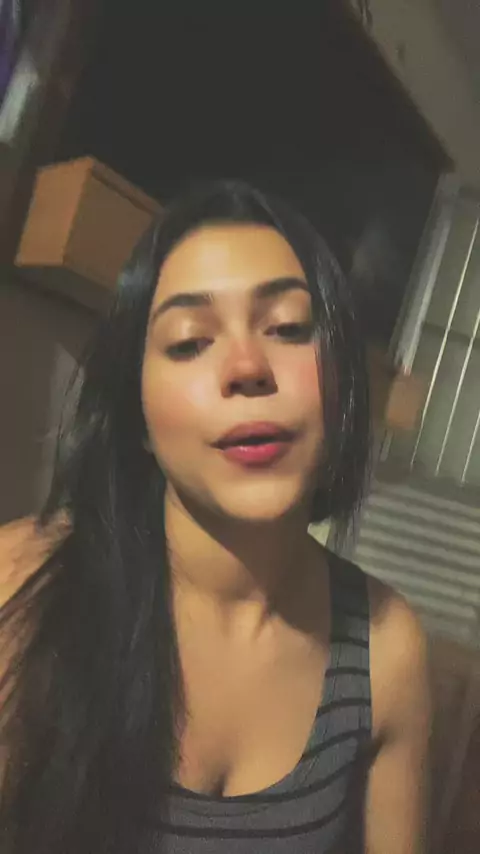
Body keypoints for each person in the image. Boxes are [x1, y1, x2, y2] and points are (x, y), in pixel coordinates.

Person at [0, 181, 430, 853]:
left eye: (288, 328)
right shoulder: (20, 586)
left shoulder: (386, 650)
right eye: (190, 341)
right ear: (138, 417)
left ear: (342, 383)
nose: (248, 367)